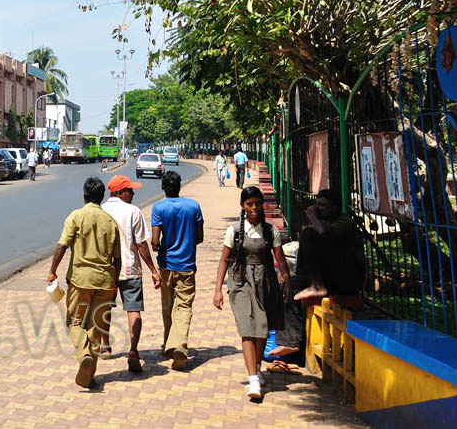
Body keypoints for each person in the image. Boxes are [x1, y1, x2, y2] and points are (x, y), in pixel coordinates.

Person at [213, 185, 292, 401]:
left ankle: (256, 367)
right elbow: (224, 260)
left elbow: (280, 259)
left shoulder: (270, 231)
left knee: (262, 328)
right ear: (243, 206)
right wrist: (218, 289)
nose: (254, 207)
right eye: (250, 204)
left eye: (257, 203)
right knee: (247, 328)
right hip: (240, 283)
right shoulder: (235, 231)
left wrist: (287, 282)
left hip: (265, 282)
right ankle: (253, 380)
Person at [47, 177, 122, 388]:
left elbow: (62, 246)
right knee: (96, 326)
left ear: (84, 196)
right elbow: (118, 258)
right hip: (105, 281)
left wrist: (53, 271)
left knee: (75, 321)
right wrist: (114, 283)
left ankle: (84, 355)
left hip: (80, 281)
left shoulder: (76, 217)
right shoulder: (111, 222)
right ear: (102, 197)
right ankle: (89, 375)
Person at [270, 188, 364, 356]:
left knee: (308, 235)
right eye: (316, 205)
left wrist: (313, 216)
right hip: (330, 275)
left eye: (322, 205)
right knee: (287, 288)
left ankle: (317, 285)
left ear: (334, 207)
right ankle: (290, 342)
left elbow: (324, 233)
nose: (317, 208)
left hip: (347, 279)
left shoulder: (344, 221)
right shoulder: (324, 223)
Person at [102, 175, 161, 372]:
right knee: (133, 309)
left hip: (107, 270)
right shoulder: (133, 212)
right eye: (130, 190)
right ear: (119, 192)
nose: (133, 193)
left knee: (105, 307)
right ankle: (133, 350)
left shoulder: (100, 210)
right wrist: (153, 270)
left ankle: (105, 346)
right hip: (130, 268)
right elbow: (142, 244)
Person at [150, 170, 204, 370]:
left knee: (168, 305)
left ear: (163, 187)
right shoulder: (193, 207)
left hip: (166, 264)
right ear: (179, 186)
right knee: (184, 305)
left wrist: (157, 245)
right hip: (187, 264)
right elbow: (199, 237)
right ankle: (177, 344)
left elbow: (155, 241)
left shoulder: (158, 208)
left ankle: (171, 344)